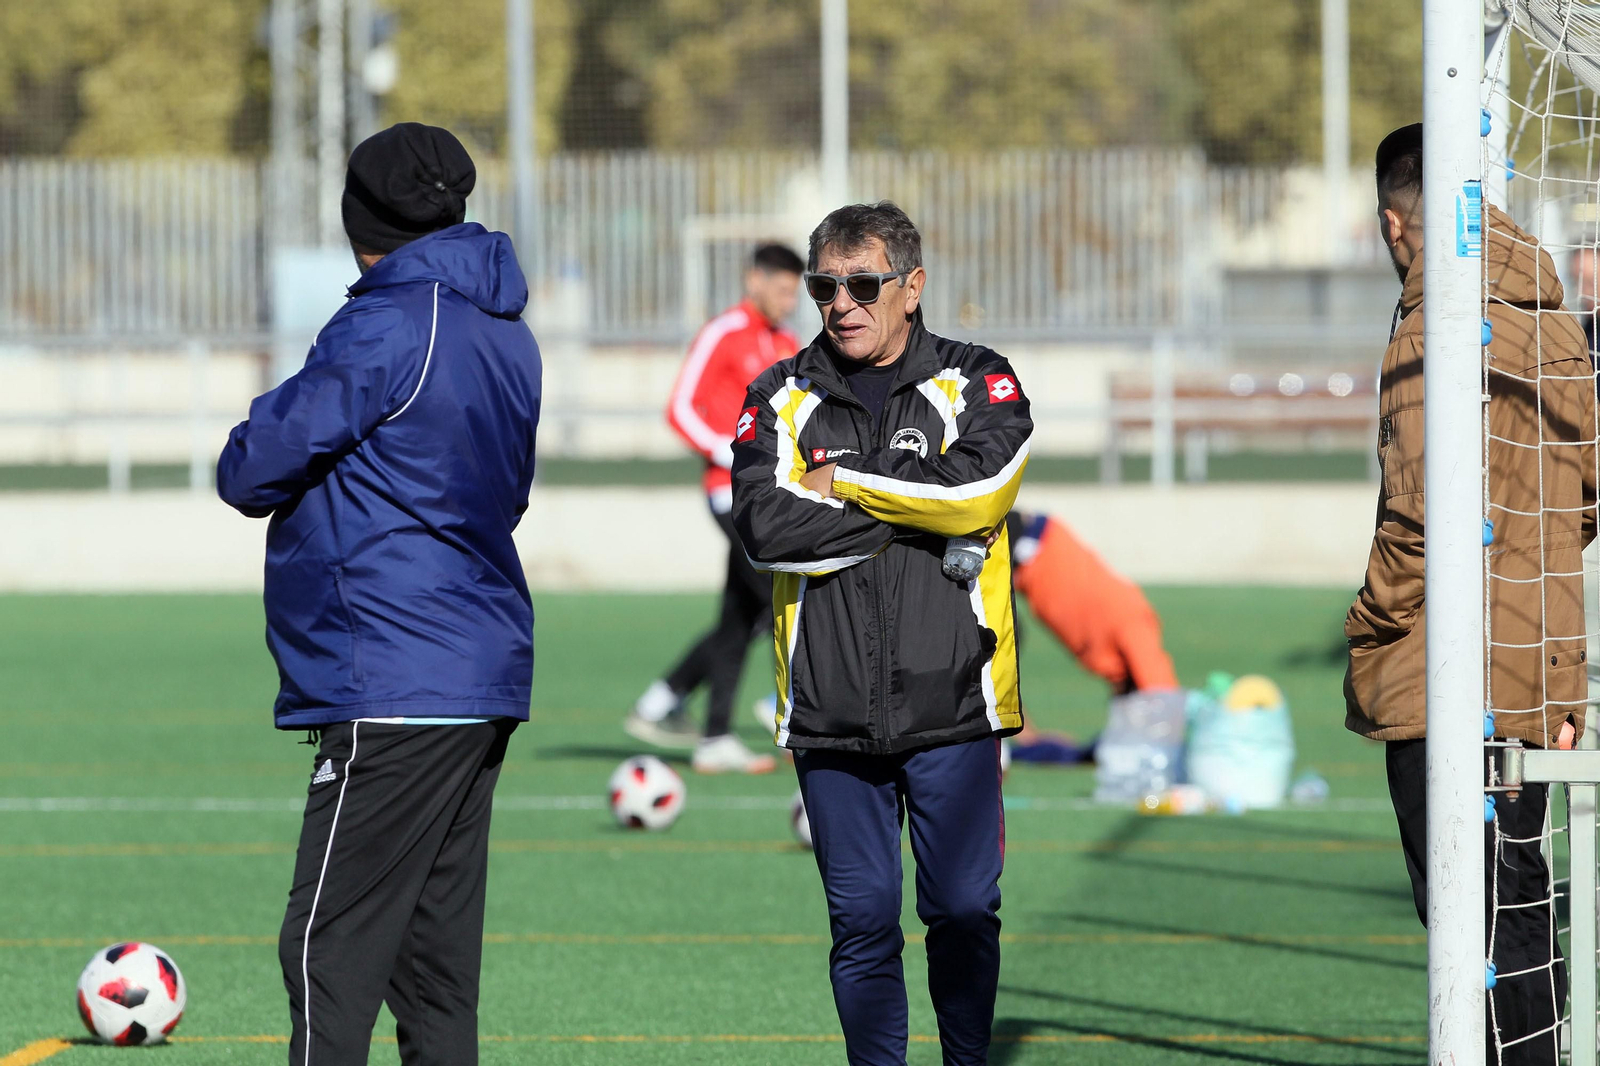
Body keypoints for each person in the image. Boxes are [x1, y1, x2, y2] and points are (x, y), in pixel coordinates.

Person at [216, 123, 541, 1066]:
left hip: (395, 674)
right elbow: (504, 493)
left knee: (329, 952)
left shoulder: (389, 322)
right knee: (434, 969)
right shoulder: (505, 331)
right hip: (478, 669)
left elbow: (252, 467)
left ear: (360, 217)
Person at [732, 201, 1031, 1066]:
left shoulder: (980, 380)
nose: (841, 302)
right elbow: (761, 526)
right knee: (861, 924)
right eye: (826, 285)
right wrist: (913, 509)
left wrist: (846, 481)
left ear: (913, 287)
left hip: (958, 703)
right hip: (829, 716)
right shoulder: (778, 394)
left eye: (863, 284)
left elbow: (980, 494)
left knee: (965, 911)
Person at [1344, 123, 1596, 1066]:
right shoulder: (1554, 313)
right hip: (1539, 659)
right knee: (1515, 901)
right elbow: (1588, 488)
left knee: (1471, 916)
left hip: (1447, 672)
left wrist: (1366, 623)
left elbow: (1418, 519)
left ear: (1394, 224)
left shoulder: (1431, 327)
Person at [624, 244, 803, 774]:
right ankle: (805, 719)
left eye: (796, 292)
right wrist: (731, 451)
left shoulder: (787, 343)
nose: (789, 301)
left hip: (773, 498)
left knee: (740, 616)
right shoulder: (724, 332)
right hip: (731, 495)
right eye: (782, 288)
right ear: (755, 279)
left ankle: (697, 724)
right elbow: (680, 407)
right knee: (782, 600)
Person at [1005, 509, 1178, 763]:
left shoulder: (1115, 660)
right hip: (1032, 545)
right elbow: (1164, 700)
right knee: (997, 639)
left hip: (1033, 549)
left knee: (1002, 636)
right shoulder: (1136, 630)